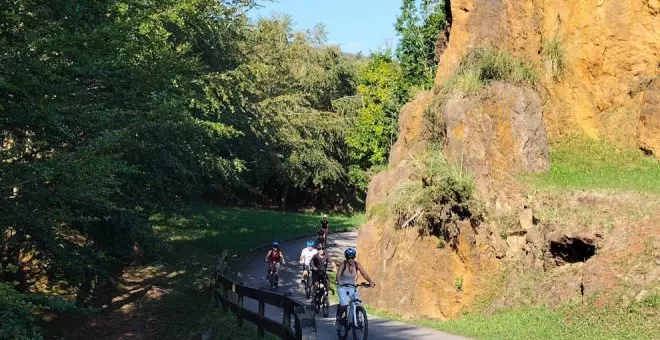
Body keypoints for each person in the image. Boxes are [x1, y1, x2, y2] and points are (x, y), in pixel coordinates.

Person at [335, 248, 375, 325]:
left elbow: (365, 274)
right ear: (346, 257)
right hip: (342, 287)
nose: (350, 259)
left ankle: (356, 318)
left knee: (356, 301)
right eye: (348, 257)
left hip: (352, 286)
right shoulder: (343, 265)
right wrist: (339, 282)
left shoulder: (357, 265)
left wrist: (370, 281)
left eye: (352, 257)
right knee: (344, 303)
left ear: (354, 257)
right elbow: (338, 276)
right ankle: (339, 319)